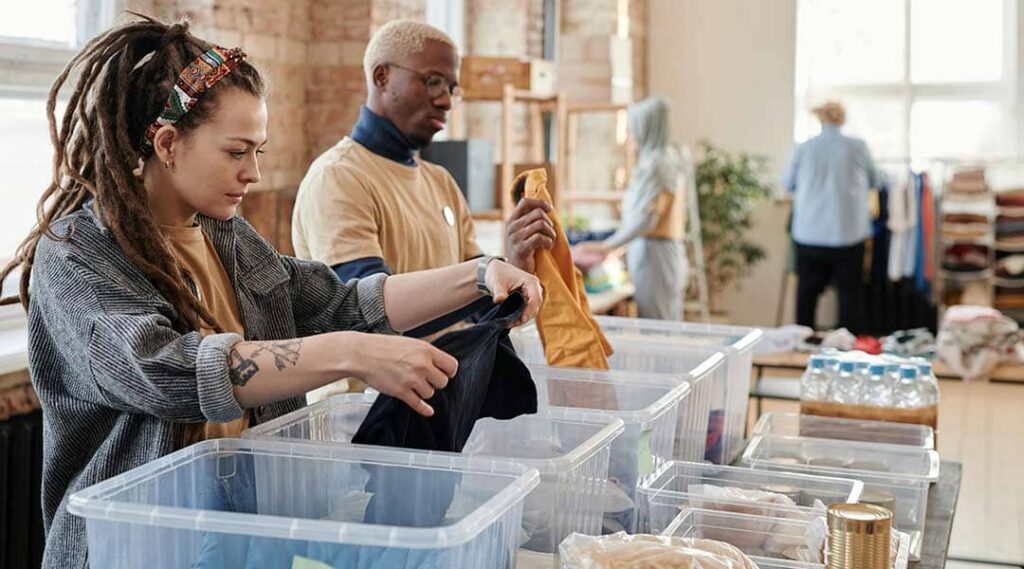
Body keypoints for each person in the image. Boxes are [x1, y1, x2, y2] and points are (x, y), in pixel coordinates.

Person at [2, 16, 542, 567]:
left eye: (258, 151)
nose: (254, 172)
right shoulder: (76, 256)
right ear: (167, 143)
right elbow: (167, 371)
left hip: (242, 534)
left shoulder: (225, 234)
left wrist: (480, 275)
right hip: (138, 549)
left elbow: (338, 303)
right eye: (237, 152)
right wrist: (350, 352)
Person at [291, 20, 555, 339]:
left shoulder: (441, 182)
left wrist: (514, 265)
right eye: (433, 81)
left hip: (439, 385)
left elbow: (480, 312)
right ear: (382, 77)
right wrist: (483, 274)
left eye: (451, 89)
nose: (445, 100)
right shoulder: (338, 178)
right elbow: (366, 317)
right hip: (365, 390)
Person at [571, 97, 688, 321]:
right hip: (658, 253)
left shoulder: (657, 165)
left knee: (659, 326)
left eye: (633, 130)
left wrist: (606, 246)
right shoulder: (665, 159)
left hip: (655, 256)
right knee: (664, 321)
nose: (629, 137)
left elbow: (646, 219)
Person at [782, 101, 884, 332]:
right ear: (842, 119)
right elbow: (875, 181)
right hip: (848, 234)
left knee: (806, 298)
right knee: (850, 300)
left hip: (809, 233)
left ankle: (802, 348)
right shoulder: (858, 147)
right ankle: (849, 353)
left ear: (820, 119)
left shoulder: (804, 148)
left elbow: (787, 183)